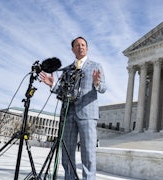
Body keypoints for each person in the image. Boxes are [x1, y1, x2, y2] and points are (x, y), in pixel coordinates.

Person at [40, 36, 107, 180]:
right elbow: (63, 92)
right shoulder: (67, 70)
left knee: (88, 152)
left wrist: (97, 83)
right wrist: (53, 85)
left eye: (83, 45)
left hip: (87, 114)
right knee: (67, 152)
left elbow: (103, 88)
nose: (80, 47)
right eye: (77, 45)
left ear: (87, 48)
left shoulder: (96, 66)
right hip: (68, 114)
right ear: (73, 49)